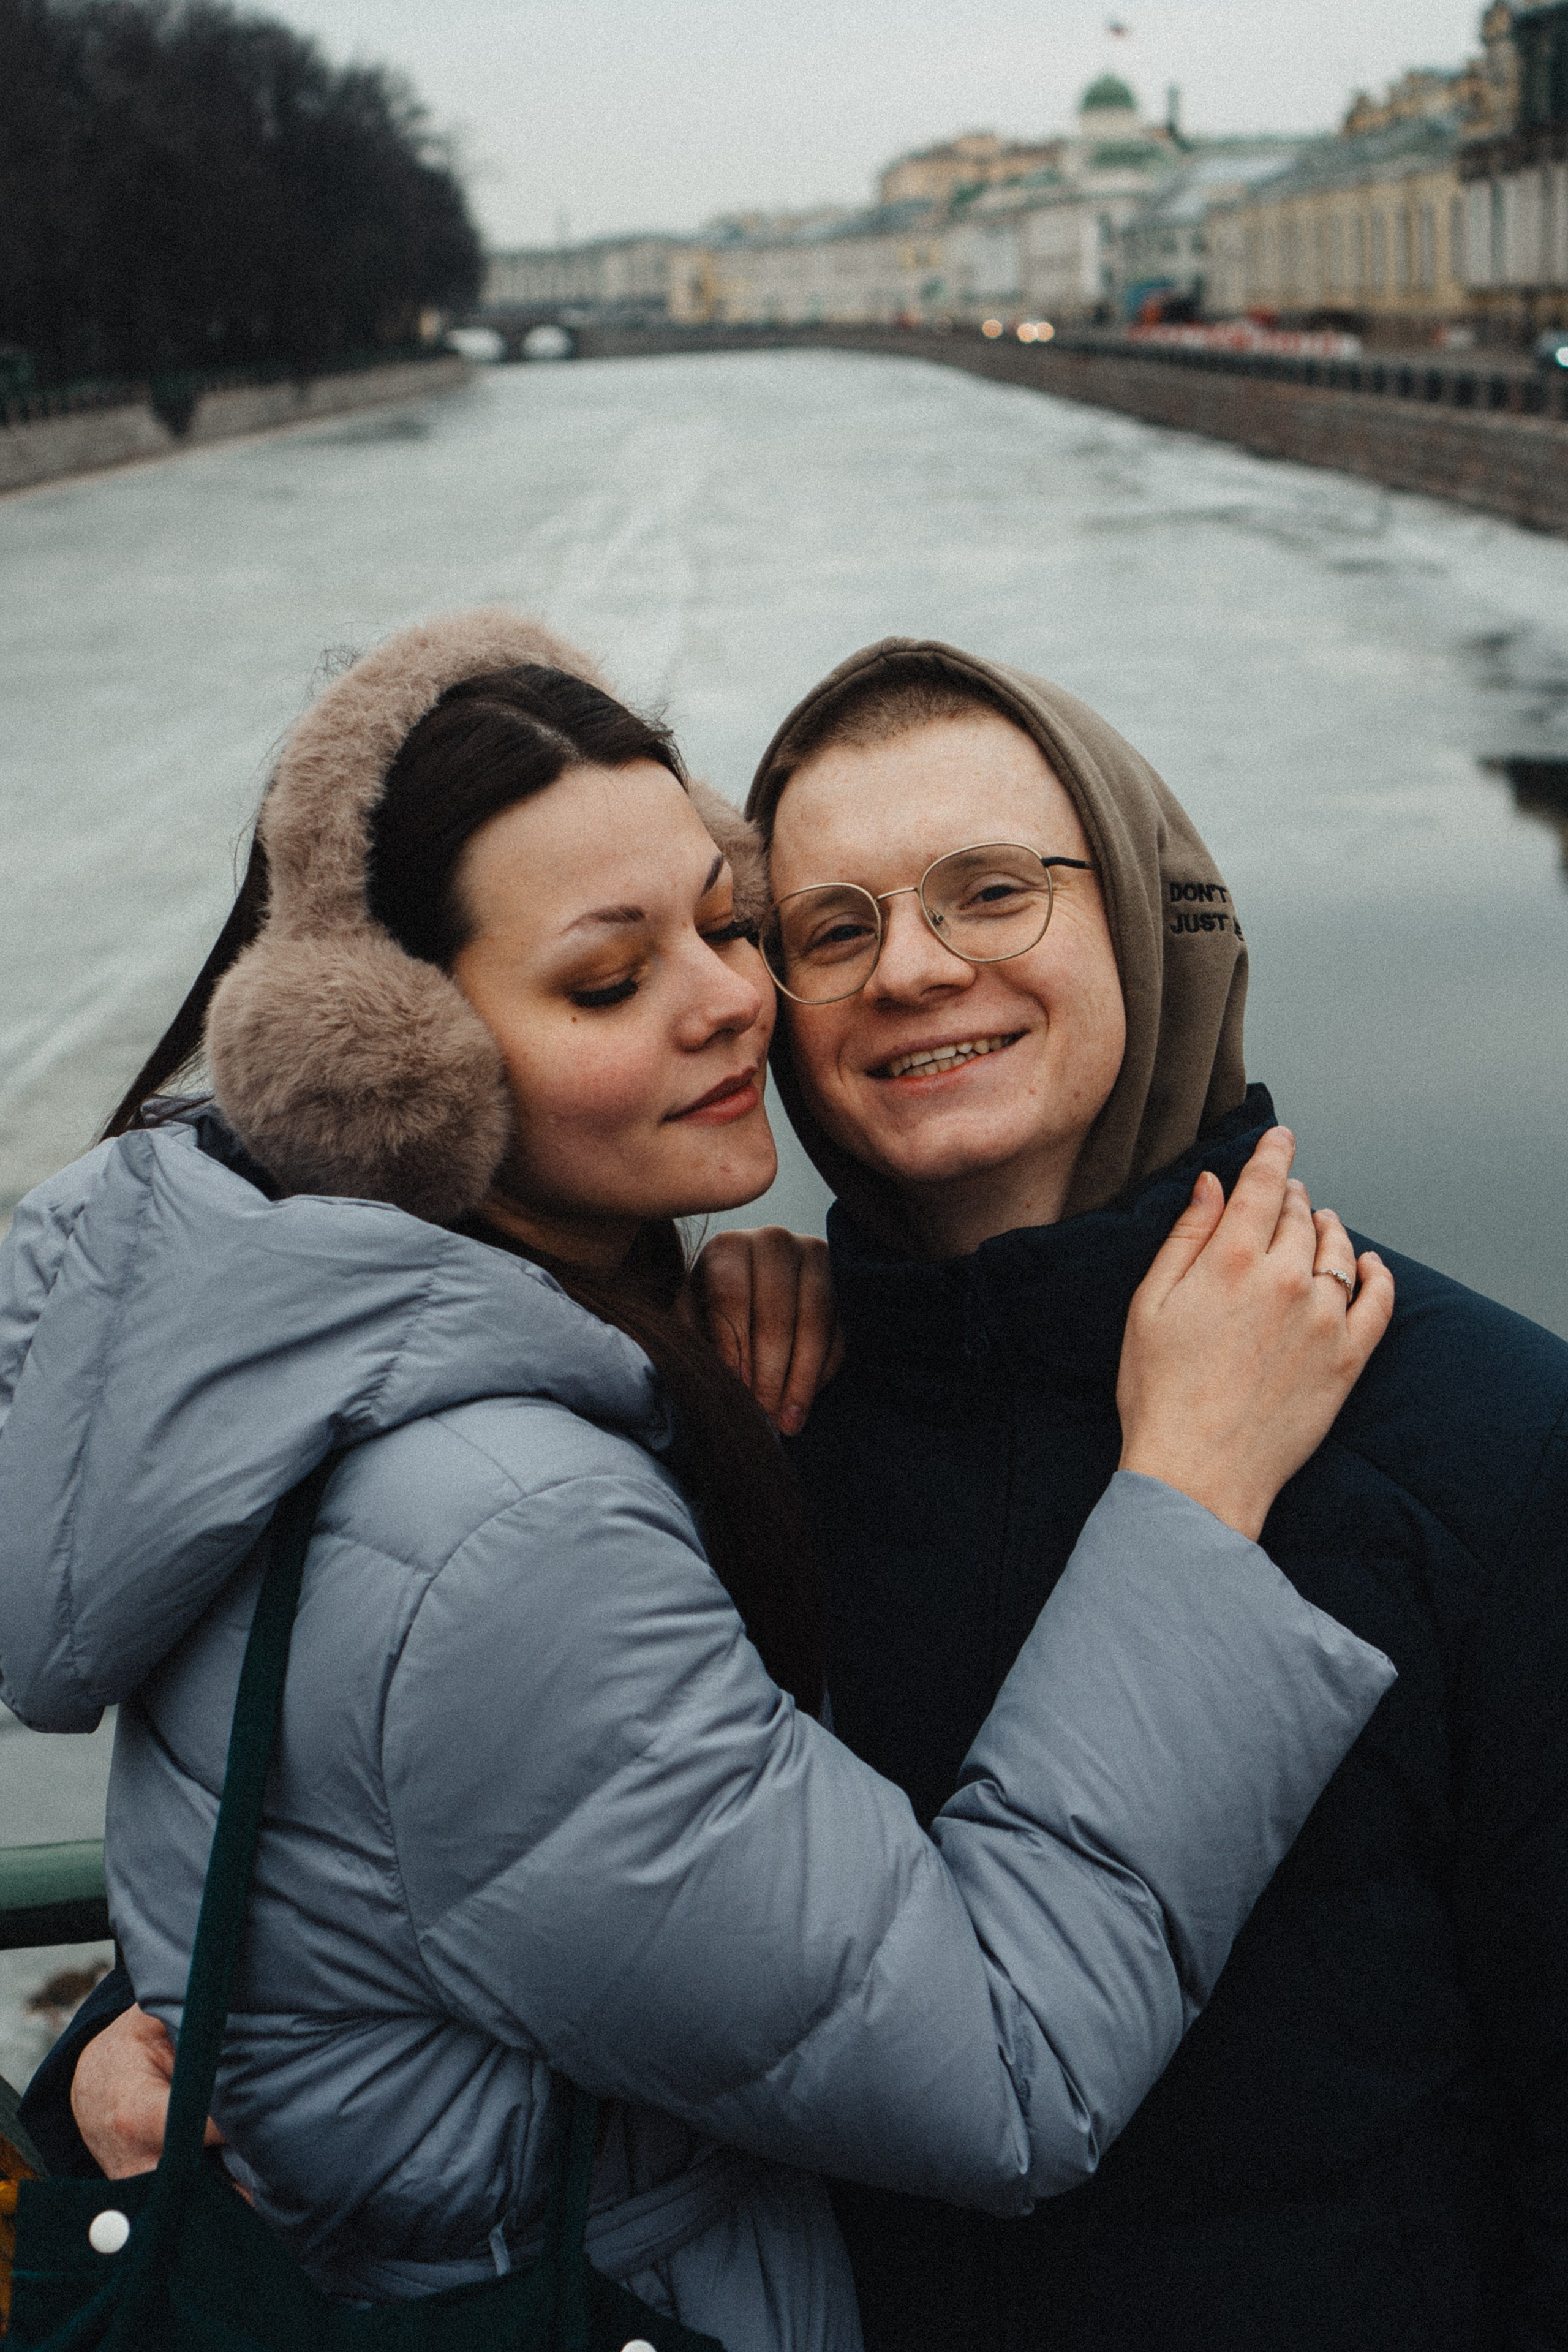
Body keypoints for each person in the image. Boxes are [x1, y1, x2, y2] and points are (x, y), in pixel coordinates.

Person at [0, 611, 1394, 2350]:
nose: (741, 998)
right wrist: (1190, 1493)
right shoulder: (507, 1536)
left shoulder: (297, 1356)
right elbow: (1005, 2070)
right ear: (395, 1075)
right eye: (609, 981)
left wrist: (664, 1348)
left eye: (730, 923)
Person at [692, 636, 1566, 2352]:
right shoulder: (741, 1428)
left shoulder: (1490, 1433)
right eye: (834, 929)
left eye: (991, 891)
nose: (915, 970)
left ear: (1158, 919)